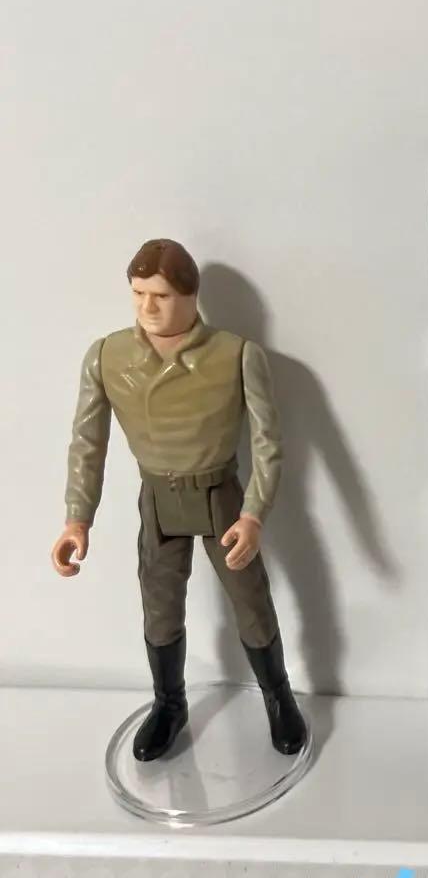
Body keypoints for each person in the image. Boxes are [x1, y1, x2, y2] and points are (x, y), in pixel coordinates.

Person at [50, 239, 307, 761]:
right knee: (160, 605)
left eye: (161, 295)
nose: (147, 306)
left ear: (190, 295)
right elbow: (86, 443)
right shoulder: (108, 356)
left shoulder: (236, 355)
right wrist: (78, 518)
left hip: (220, 497)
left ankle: (278, 696)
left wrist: (254, 513)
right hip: (158, 499)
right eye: (138, 293)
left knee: (250, 600)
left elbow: (268, 444)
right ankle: (169, 704)